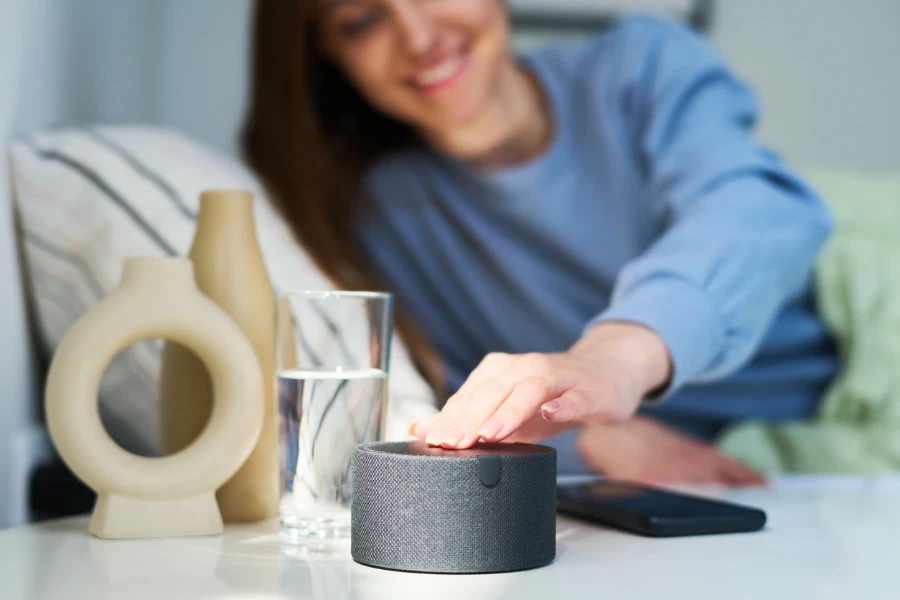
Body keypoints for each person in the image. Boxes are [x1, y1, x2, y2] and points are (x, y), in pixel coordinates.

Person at [241, 0, 838, 485]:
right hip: (663, 478)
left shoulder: (641, 65)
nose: (418, 36)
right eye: (362, 21)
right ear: (329, 52)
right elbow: (444, 403)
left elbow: (760, 211)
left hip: (829, 396)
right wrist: (592, 444)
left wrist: (614, 358)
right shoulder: (379, 217)